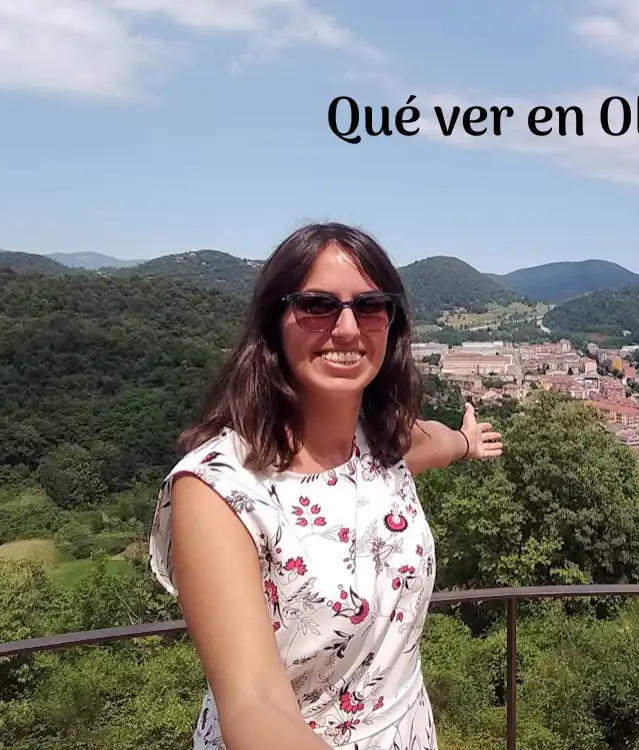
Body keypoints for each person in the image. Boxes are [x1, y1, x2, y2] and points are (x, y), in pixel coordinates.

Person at [148, 222, 503, 750]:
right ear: (275, 323)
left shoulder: (379, 441)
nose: (346, 328)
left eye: (370, 307)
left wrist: (467, 441)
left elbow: (432, 442)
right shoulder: (218, 489)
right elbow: (255, 704)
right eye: (317, 306)